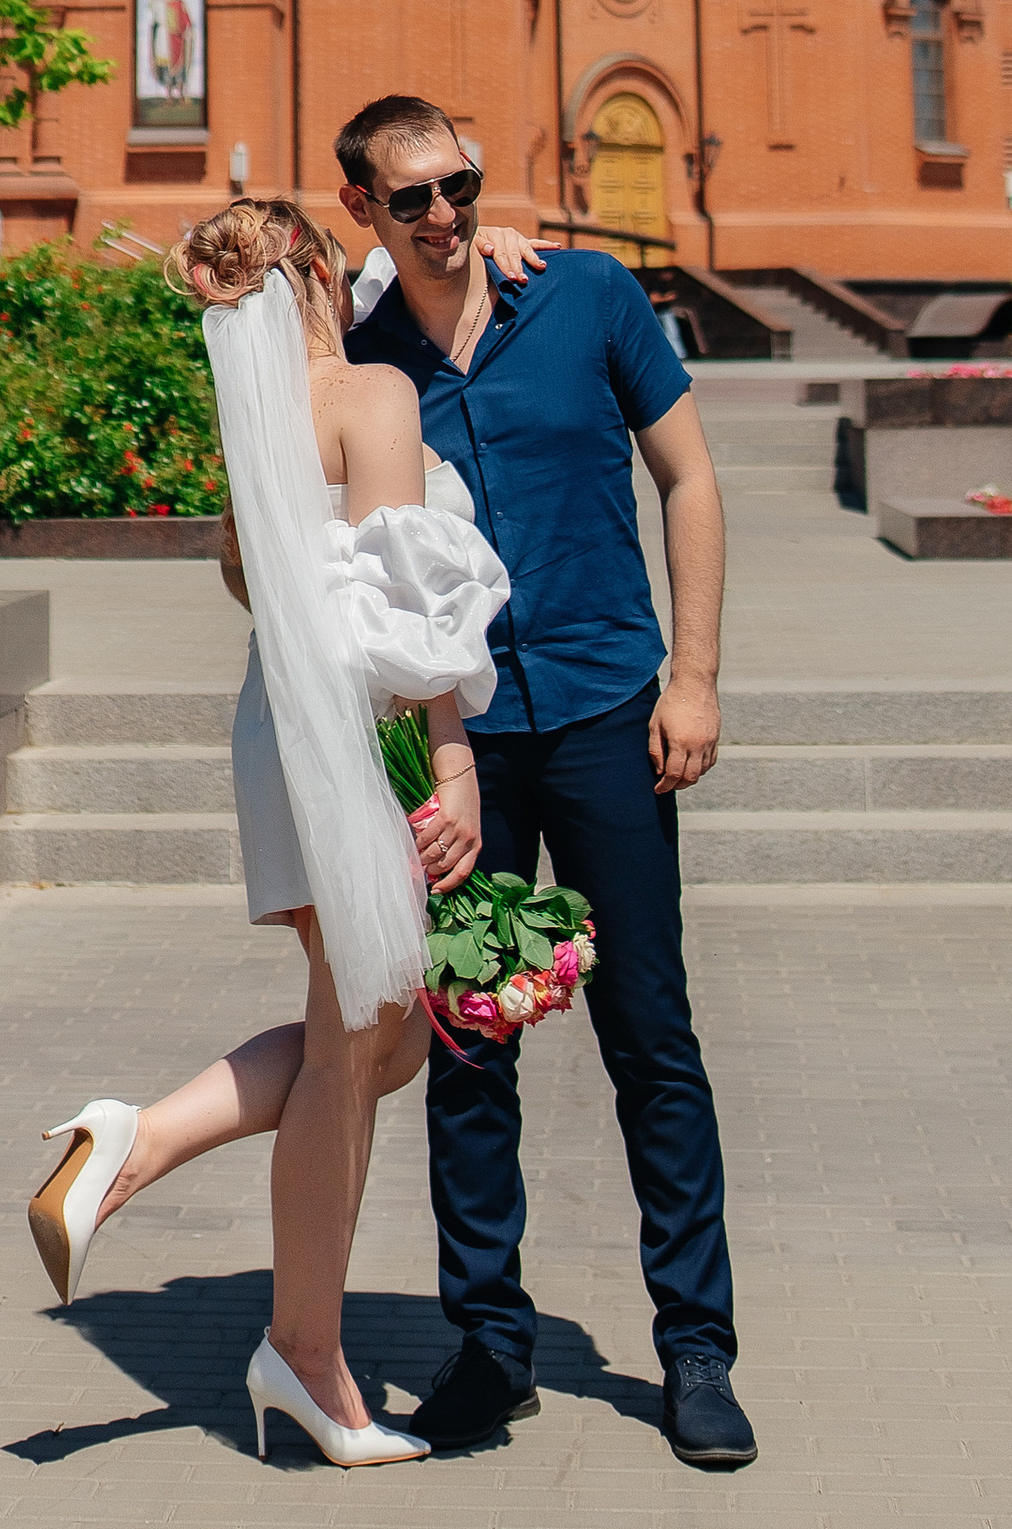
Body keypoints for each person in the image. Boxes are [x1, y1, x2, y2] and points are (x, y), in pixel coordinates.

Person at [27, 196, 510, 1470]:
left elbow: (263, 581)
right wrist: (447, 770)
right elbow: (404, 616)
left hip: (276, 727)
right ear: (313, 272)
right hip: (360, 734)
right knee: (357, 1055)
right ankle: (304, 1359)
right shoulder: (371, 399)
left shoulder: (253, 424)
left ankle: (148, 1140)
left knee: (377, 1045)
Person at [337, 93, 755, 1476]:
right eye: (415, 199)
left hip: (607, 713)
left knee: (652, 1034)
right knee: (470, 1040)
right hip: (458, 742)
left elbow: (687, 480)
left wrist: (691, 675)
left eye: (461, 184)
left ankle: (696, 1351)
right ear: (369, 215)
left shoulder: (581, 297)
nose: (449, 215)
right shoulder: (362, 351)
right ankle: (491, 1345)